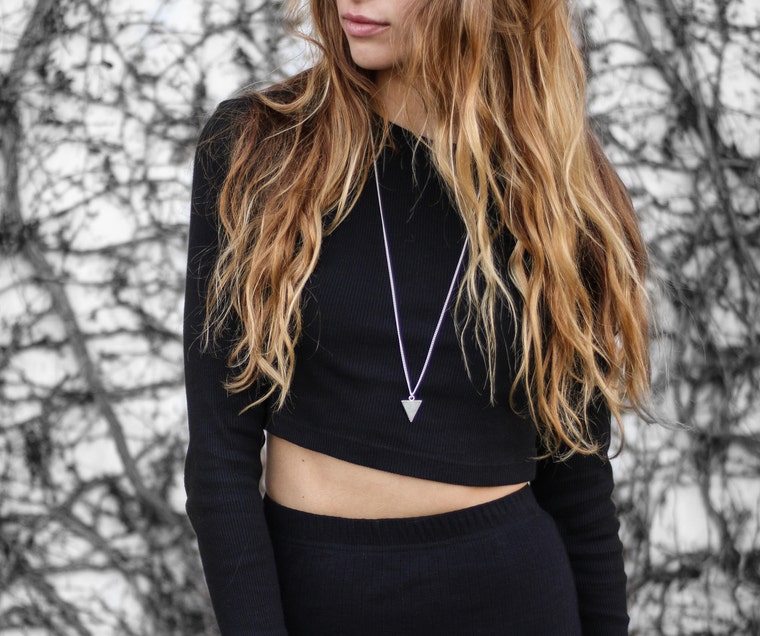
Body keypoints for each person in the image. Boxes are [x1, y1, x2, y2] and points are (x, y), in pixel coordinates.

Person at [183, 0, 651, 634]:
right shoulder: (262, 148)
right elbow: (219, 459)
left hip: (516, 598)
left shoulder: (555, 183)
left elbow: (580, 482)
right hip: (321, 596)